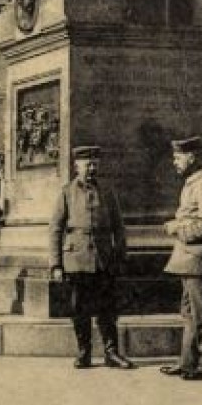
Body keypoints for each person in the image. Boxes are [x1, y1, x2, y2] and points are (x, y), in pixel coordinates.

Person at [49, 145, 135, 370]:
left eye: (95, 163)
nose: (92, 168)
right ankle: (84, 352)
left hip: (104, 259)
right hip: (76, 260)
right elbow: (55, 230)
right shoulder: (66, 192)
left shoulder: (107, 191)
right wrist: (56, 264)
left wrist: (120, 256)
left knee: (108, 308)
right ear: (76, 166)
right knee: (80, 308)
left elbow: (119, 226)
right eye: (87, 164)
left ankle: (111, 352)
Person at [161, 135, 202, 381]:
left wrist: (177, 228)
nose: (174, 162)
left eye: (178, 157)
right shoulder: (193, 181)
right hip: (189, 259)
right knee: (190, 313)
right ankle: (187, 362)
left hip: (200, 257)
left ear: (192, 157)